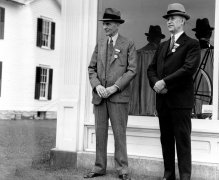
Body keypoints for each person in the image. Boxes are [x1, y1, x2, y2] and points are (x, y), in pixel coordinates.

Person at [147, 3, 201, 180]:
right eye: (167, 18)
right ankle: (168, 175)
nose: (169, 21)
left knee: (183, 142)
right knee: (166, 140)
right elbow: (151, 69)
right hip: (163, 102)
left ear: (183, 21)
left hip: (180, 102)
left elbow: (187, 70)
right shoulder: (162, 45)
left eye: (172, 18)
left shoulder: (192, 44)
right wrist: (156, 83)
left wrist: (164, 83)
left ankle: (185, 176)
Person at [85, 7, 137, 180]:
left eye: (108, 24)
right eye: (104, 24)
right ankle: (99, 167)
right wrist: (97, 86)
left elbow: (132, 71)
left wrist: (114, 87)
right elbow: (91, 68)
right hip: (100, 98)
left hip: (118, 97)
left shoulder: (128, 44)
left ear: (116, 25)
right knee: (100, 133)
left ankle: (122, 170)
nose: (105, 27)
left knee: (119, 134)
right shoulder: (100, 44)